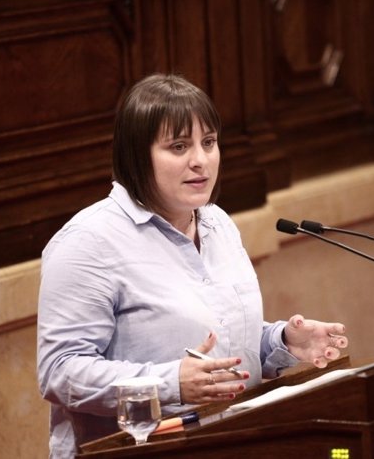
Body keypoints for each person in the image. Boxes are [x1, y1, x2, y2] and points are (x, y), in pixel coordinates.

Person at [36, 73, 348, 458]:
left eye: (209, 142)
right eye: (179, 146)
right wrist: (168, 384)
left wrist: (280, 342)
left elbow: (218, 339)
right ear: (137, 154)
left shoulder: (217, 223)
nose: (200, 161)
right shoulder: (88, 243)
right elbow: (61, 372)